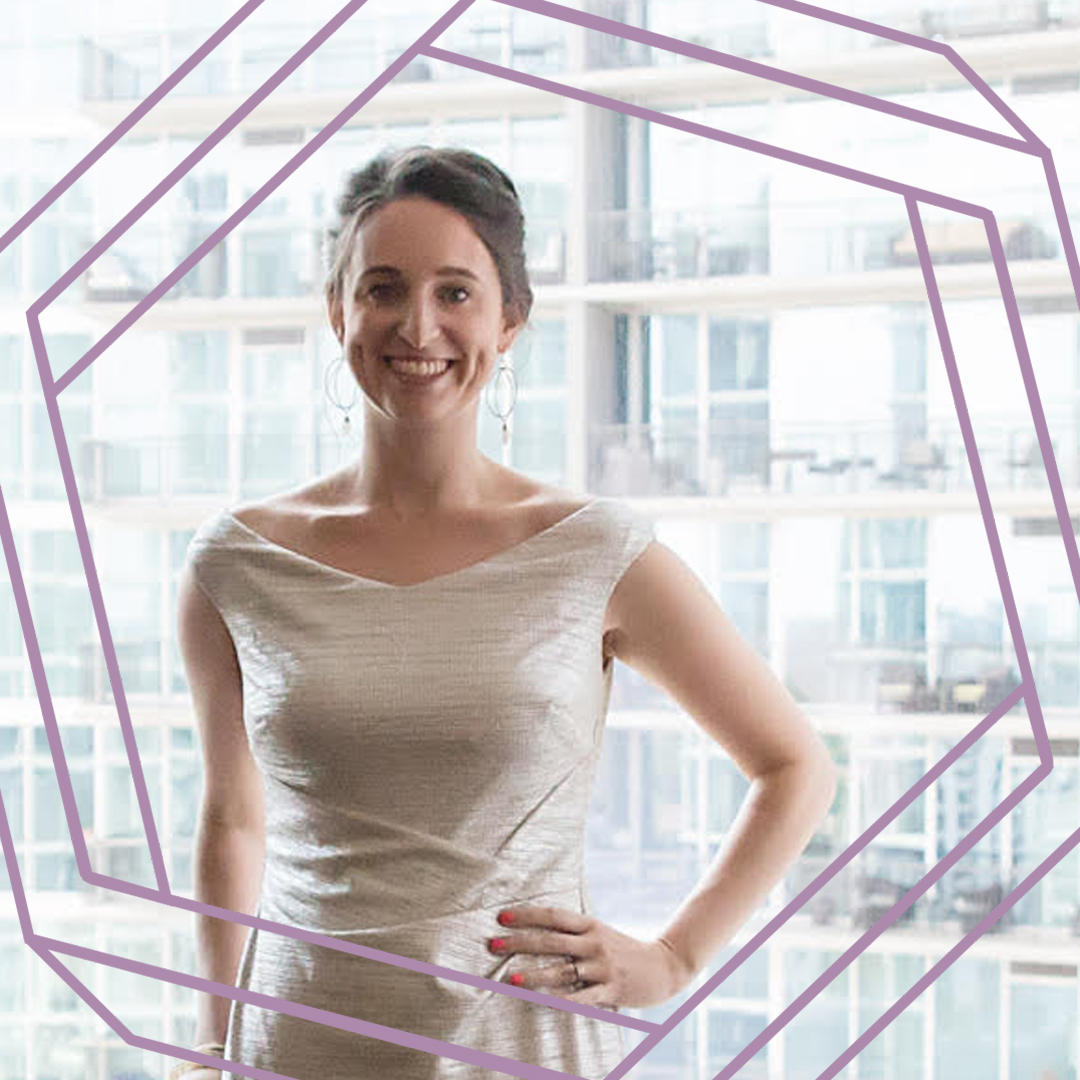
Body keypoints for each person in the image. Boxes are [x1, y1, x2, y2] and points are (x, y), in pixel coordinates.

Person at [171, 145, 837, 1080]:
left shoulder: (594, 551)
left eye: (455, 292)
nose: (417, 326)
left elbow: (794, 764)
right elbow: (231, 822)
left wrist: (673, 958)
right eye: (383, 289)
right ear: (339, 311)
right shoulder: (235, 564)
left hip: (525, 1047)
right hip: (295, 1044)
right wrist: (209, 1041)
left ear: (510, 320)